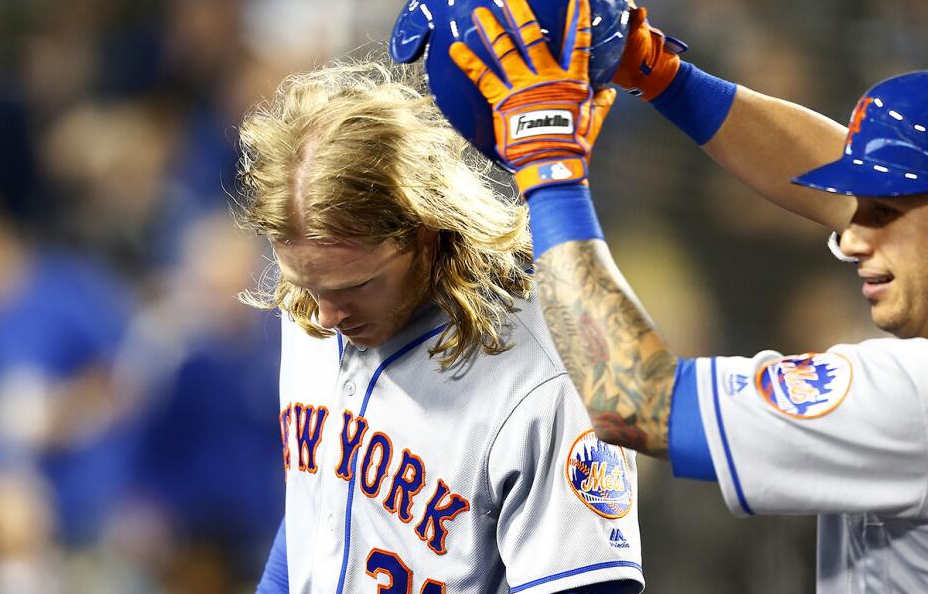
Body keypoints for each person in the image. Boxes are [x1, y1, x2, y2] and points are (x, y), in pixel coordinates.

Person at [449, 0, 928, 591]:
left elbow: (632, 401)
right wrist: (664, 75)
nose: (853, 237)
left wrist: (549, 168)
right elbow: (844, 175)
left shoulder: (927, 395)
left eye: (883, 214)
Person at [235, 60, 643, 593]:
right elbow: (320, 511)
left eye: (356, 286)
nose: (328, 315)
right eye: (309, 286)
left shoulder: (549, 377)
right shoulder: (312, 305)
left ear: (427, 234)